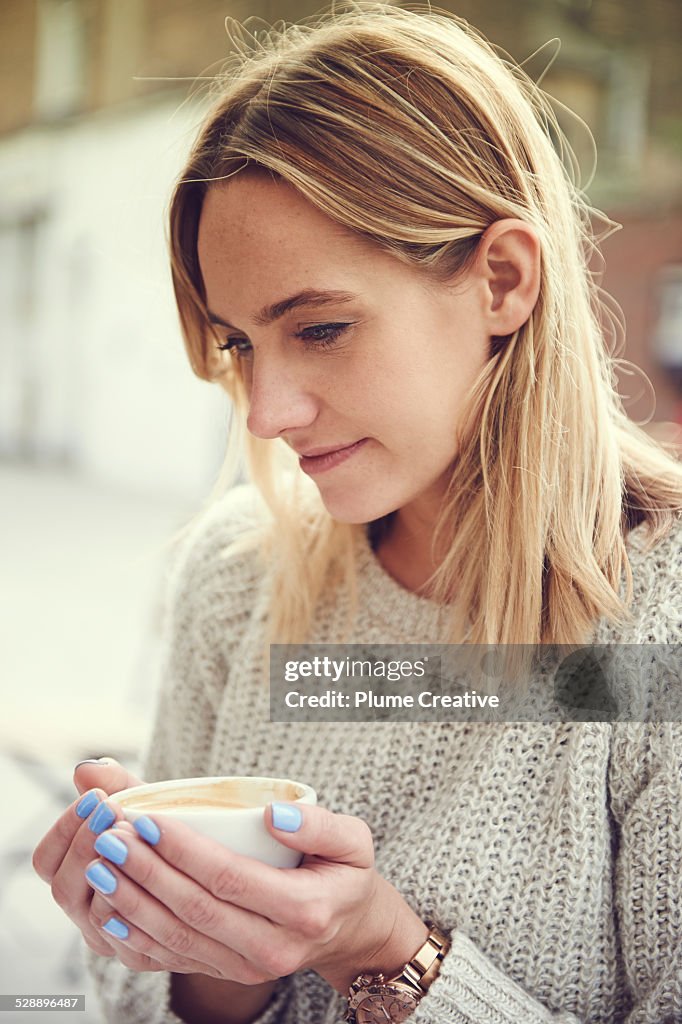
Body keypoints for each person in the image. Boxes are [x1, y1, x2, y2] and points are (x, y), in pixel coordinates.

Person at [33, 4, 682, 1023]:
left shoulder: (662, 616)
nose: (265, 411)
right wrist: (193, 940)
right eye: (239, 342)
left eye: (321, 328)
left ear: (502, 279)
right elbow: (143, 1004)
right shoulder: (233, 583)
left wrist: (383, 952)